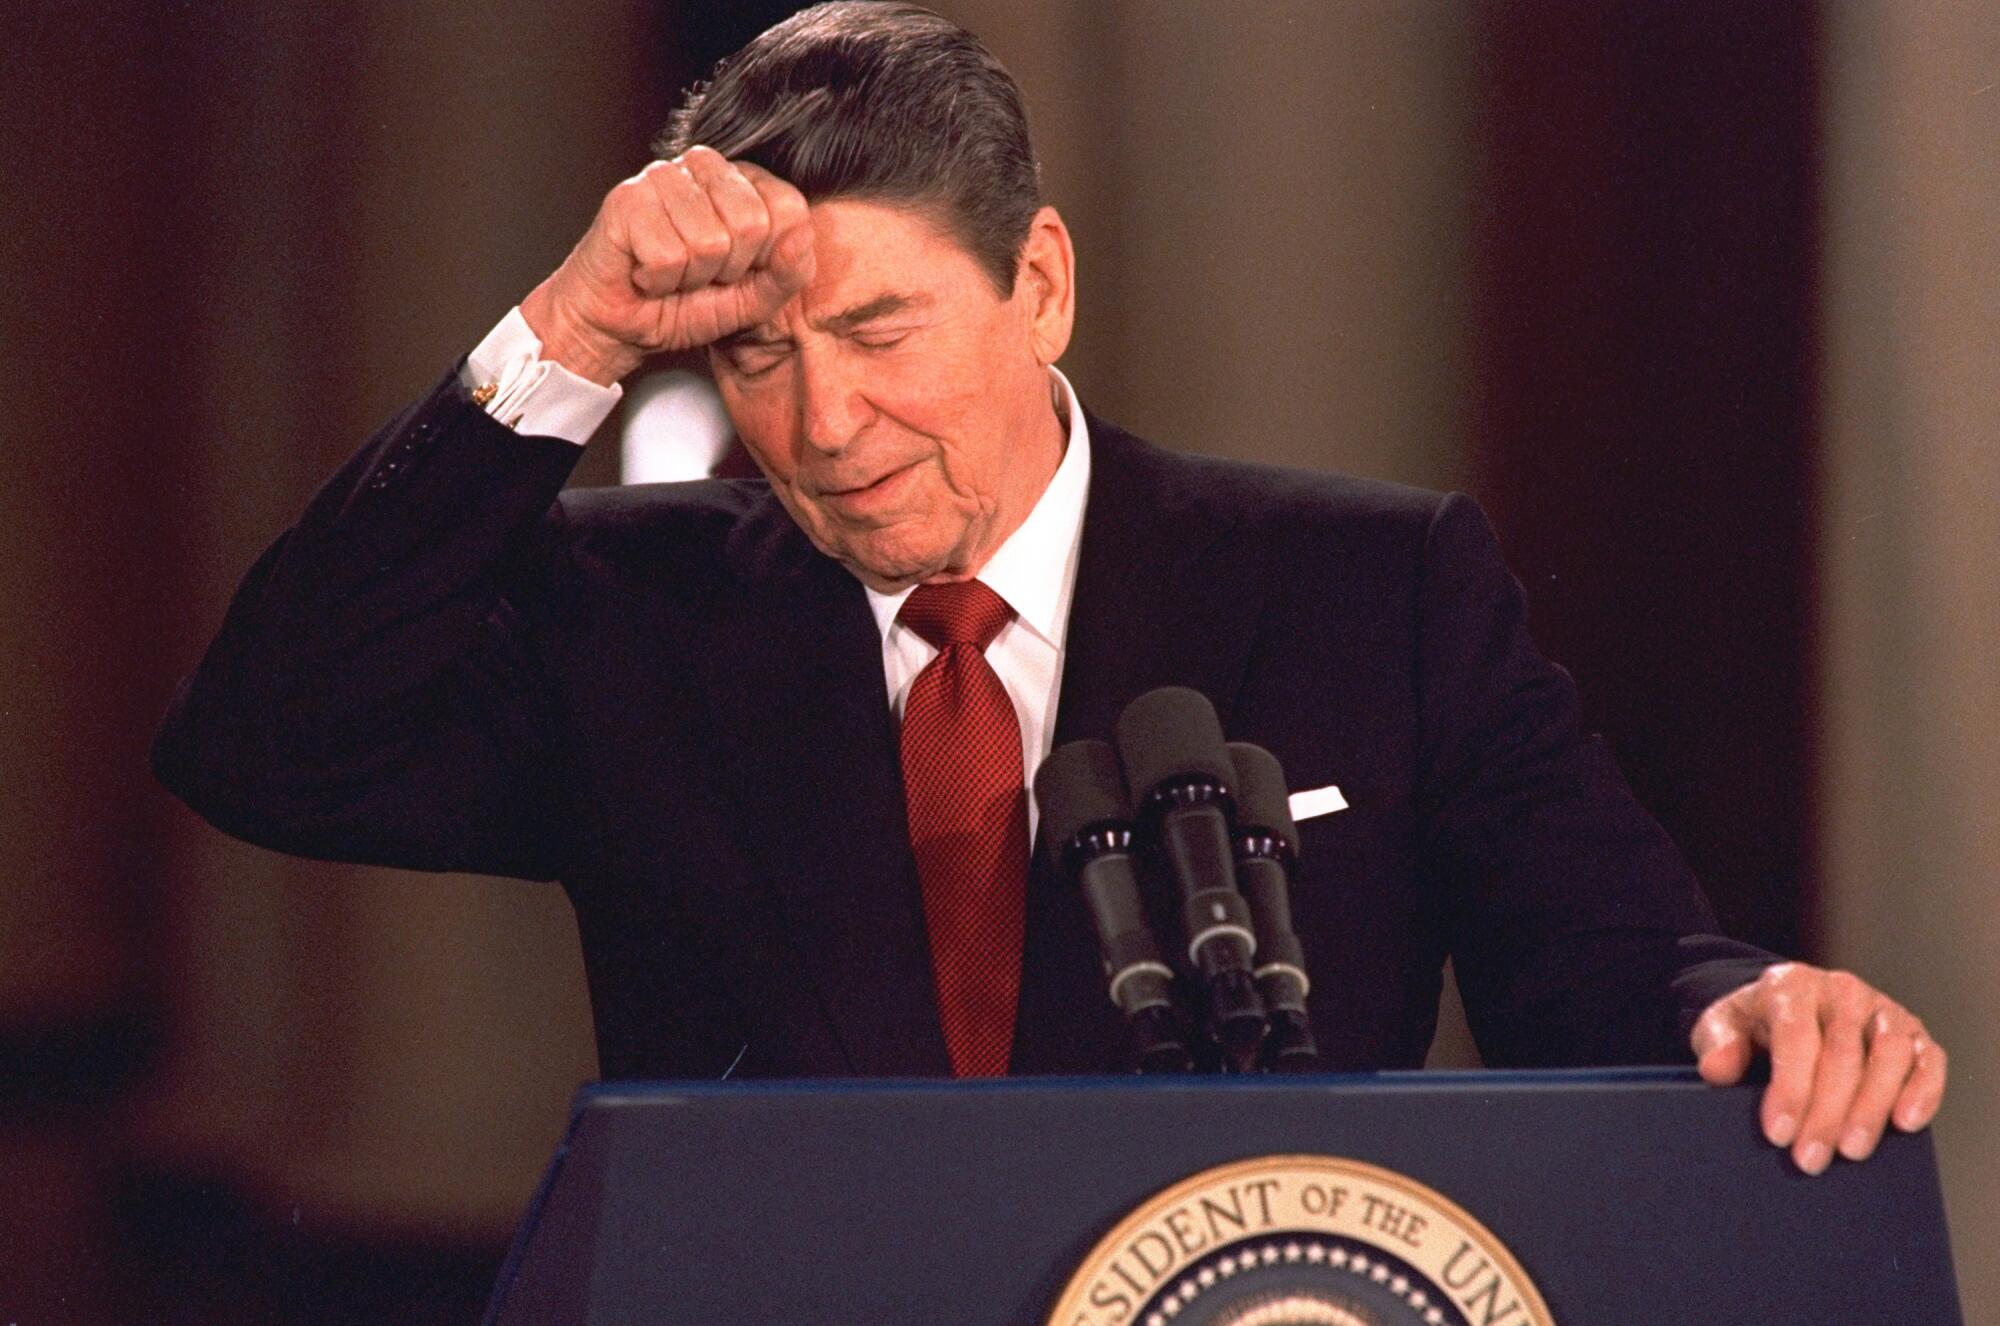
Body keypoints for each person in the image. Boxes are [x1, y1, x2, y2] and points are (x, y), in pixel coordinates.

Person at [152, 2, 1944, 1176]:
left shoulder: (1372, 590)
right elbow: (269, 742)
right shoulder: (634, 610)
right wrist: (563, 342)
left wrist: (1760, 1001)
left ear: (1043, 286)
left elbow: (1616, 963)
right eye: (759, 356)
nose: (825, 422)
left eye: (878, 330)